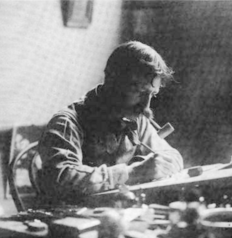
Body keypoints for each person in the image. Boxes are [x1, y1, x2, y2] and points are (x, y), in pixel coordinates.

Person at [37, 41, 183, 205]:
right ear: (112, 81)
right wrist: (131, 173)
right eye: (138, 91)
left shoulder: (134, 117)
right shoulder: (67, 122)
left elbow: (172, 156)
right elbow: (60, 178)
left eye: (152, 94)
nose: (145, 105)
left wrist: (156, 165)